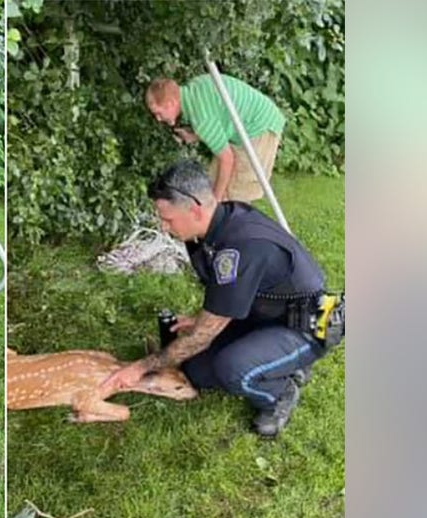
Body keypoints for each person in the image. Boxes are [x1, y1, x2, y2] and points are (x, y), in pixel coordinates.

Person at [100, 160, 329, 437]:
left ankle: (281, 391)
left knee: (232, 368)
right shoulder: (208, 229)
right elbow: (226, 297)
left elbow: (202, 337)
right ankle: (278, 362)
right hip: (260, 314)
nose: (163, 228)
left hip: (305, 326)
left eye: (167, 219)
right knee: (195, 370)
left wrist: (139, 368)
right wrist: (200, 320)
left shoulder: (241, 247)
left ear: (195, 208)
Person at [146, 74, 285, 204]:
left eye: (158, 113)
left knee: (236, 192)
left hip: (260, 127)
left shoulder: (201, 119)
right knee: (213, 181)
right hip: (246, 123)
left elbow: (227, 159)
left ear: (170, 103)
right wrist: (193, 136)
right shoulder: (194, 89)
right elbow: (217, 115)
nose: (158, 119)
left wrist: (216, 202)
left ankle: (234, 225)